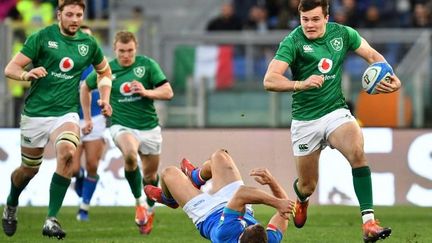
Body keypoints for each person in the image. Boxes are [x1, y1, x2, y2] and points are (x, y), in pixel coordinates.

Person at [262, 0, 401, 242]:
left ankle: (369, 222)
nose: (310, 25)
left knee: (357, 151)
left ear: (327, 18)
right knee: (307, 185)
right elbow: (270, 80)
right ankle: (302, 200)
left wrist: (392, 76)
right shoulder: (293, 41)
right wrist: (300, 84)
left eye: (315, 19)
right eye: (305, 20)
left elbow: (372, 55)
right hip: (305, 121)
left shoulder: (343, 34)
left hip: (335, 111)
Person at [2, 0, 112, 239]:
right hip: (36, 114)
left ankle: (51, 219)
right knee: (28, 170)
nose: (74, 19)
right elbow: (10, 68)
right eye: (70, 14)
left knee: (68, 153)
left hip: (66, 112)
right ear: (59, 15)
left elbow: (105, 72)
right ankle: (11, 203)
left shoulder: (88, 43)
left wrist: (105, 97)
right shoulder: (41, 37)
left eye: (79, 15)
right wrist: (26, 73)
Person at [82, 30, 174, 235]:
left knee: (150, 176)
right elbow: (85, 88)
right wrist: (88, 117)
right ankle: (139, 202)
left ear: (136, 48)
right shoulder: (106, 69)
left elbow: (168, 92)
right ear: (115, 49)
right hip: (120, 125)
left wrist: (146, 92)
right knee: (131, 156)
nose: (126, 55)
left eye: (130, 50)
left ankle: (149, 210)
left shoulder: (147, 65)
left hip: (149, 127)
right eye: (122, 51)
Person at [144, 149, 295, 243]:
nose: (253, 223)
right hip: (235, 206)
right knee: (220, 156)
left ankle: (170, 199)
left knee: (168, 173)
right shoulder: (269, 241)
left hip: (206, 213)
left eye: (251, 225)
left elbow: (242, 194)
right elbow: (285, 211)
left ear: (241, 235)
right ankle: (196, 177)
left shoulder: (226, 234)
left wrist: (276, 203)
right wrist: (272, 182)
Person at [71, 25, 107, 222]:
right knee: (73, 168)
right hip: (73, 119)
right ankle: (80, 177)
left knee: (93, 164)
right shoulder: (67, 64)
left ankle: (84, 207)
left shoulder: (99, 65)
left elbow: (108, 87)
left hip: (95, 119)